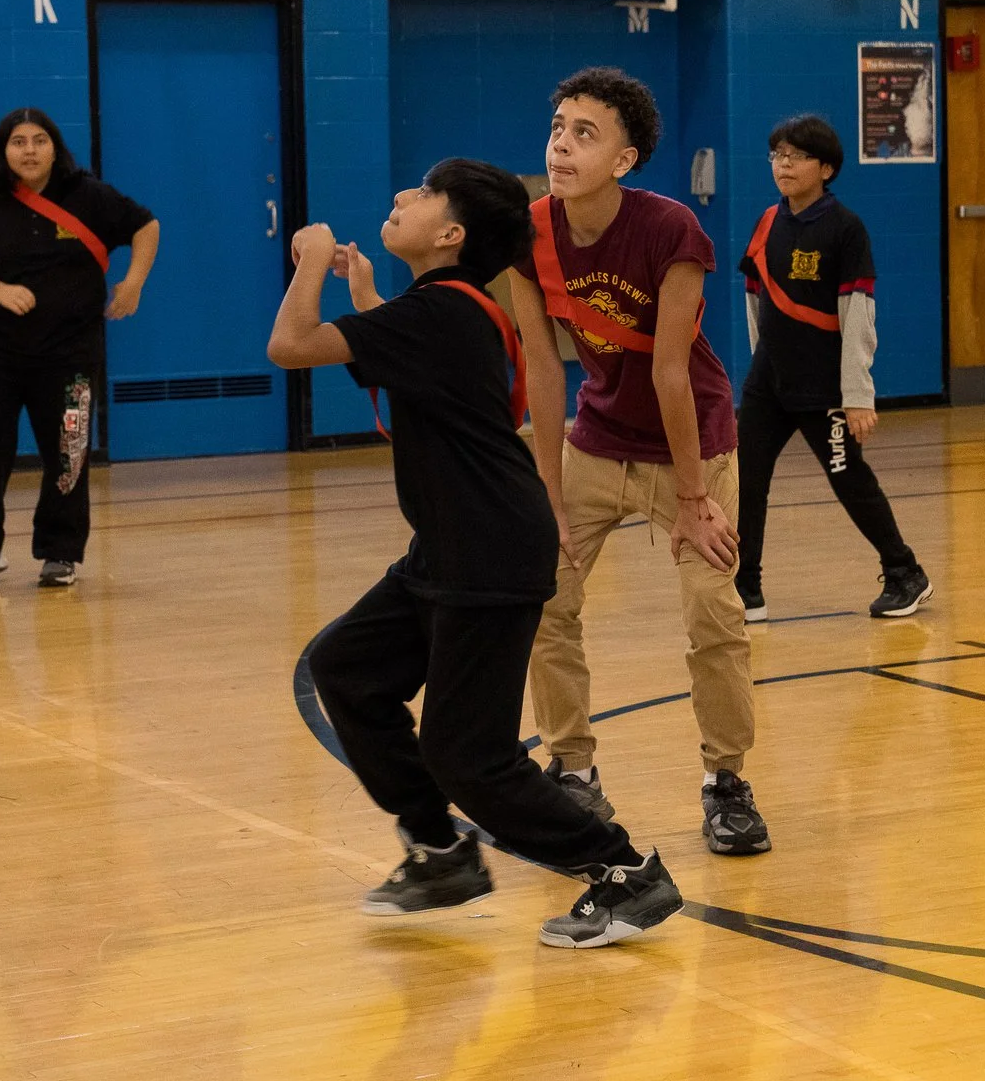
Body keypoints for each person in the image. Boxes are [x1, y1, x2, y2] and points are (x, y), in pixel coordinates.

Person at [273, 161, 682, 949]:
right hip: (452, 546)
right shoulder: (442, 309)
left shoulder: (443, 314)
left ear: (452, 235)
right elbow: (389, 347)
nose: (399, 197)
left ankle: (625, 871)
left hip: (488, 551)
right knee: (348, 669)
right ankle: (440, 851)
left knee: (471, 756)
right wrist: (363, 291)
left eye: (421, 194)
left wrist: (317, 258)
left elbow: (290, 343)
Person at [511, 67, 771, 857]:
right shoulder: (530, 232)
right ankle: (573, 770)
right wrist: (548, 496)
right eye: (558, 126)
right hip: (595, 441)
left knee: (712, 614)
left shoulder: (671, 231)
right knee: (542, 593)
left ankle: (726, 781)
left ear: (624, 161)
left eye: (585, 132)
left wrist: (694, 497)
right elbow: (544, 368)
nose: (562, 142)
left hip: (689, 442)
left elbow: (669, 372)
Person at [0, 108, 157, 590]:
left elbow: (145, 225)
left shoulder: (89, 197)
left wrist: (132, 284)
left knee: (67, 454)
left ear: (55, 146)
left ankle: (60, 553)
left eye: (38, 140)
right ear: (2, 150)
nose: (28, 150)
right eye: (18, 142)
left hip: (69, 353)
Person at [733, 115, 929, 621]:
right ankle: (745, 588)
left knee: (849, 480)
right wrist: (763, 362)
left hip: (824, 390)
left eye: (795, 157)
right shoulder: (766, 224)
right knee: (744, 481)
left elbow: (858, 313)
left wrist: (857, 394)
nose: (783, 165)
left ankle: (905, 573)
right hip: (767, 386)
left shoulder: (845, 228)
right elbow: (755, 299)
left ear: (825, 168)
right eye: (777, 155)